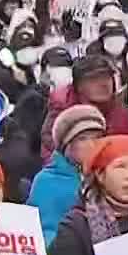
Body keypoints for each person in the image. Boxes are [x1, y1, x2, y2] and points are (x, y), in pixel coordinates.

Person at [30, 103, 107, 246]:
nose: (92, 144)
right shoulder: (46, 181)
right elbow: (45, 233)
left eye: (97, 138)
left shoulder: (109, 177)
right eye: (83, 138)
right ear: (67, 146)